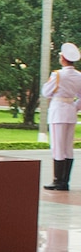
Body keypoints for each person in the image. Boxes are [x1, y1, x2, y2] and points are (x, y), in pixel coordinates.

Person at [42, 42, 81, 191]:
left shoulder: (58, 75)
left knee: (58, 147)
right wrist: (75, 106)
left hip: (58, 111)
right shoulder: (79, 76)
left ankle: (58, 180)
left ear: (63, 58)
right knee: (68, 147)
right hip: (71, 111)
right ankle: (65, 181)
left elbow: (46, 92)